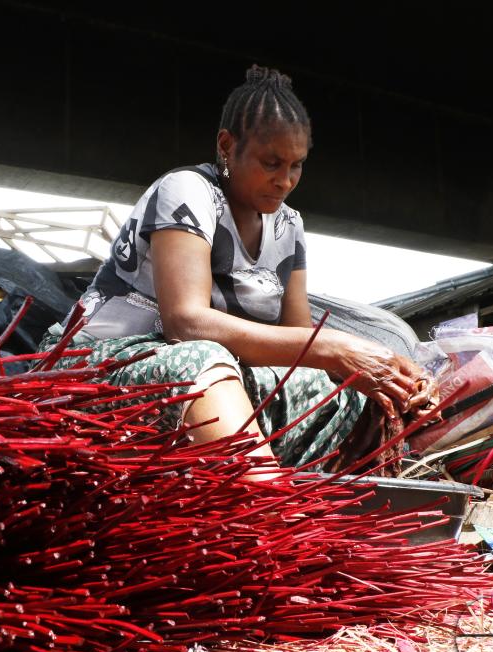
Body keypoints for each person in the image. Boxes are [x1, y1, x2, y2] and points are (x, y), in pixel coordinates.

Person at [40, 65, 437, 471]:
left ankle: (339, 498)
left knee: (346, 394)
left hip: (212, 372)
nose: (285, 180)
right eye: (271, 163)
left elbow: (296, 344)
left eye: (296, 165)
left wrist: (388, 373)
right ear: (227, 147)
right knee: (200, 360)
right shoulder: (189, 190)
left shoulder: (289, 226)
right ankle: (267, 504)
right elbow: (184, 323)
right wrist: (336, 348)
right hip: (98, 368)